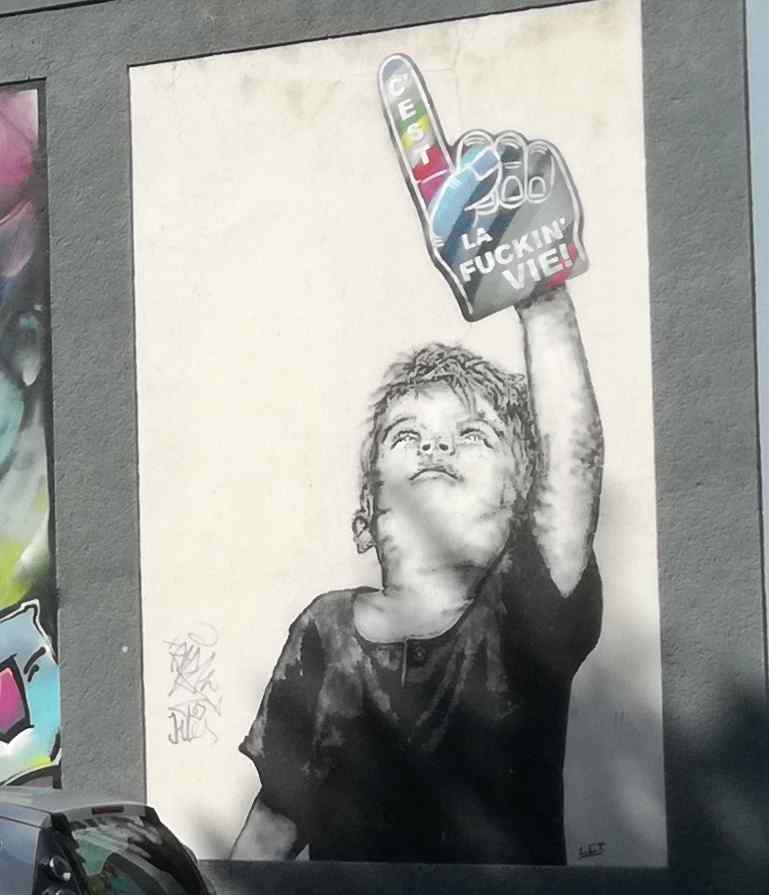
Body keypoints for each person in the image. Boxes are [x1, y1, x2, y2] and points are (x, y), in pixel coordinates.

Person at [230, 283, 604, 864]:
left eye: (472, 435)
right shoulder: (324, 628)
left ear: (523, 506)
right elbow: (279, 814)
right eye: (408, 435)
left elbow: (572, 465)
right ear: (366, 515)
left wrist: (542, 299)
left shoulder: (520, 615)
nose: (436, 448)